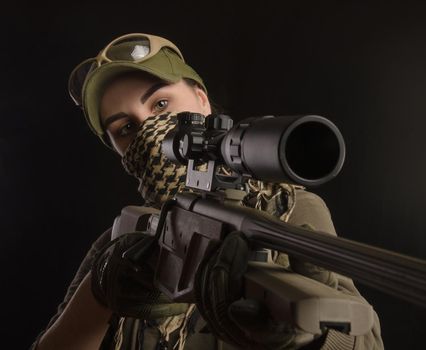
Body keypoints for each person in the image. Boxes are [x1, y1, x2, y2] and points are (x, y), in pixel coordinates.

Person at [32, 33, 384, 350]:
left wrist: (312, 339)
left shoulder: (289, 211)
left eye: (160, 105)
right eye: (126, 128)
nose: (151, 135)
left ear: (201, 101)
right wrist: (99, 293)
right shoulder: (125, 242)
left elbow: (365, 341)